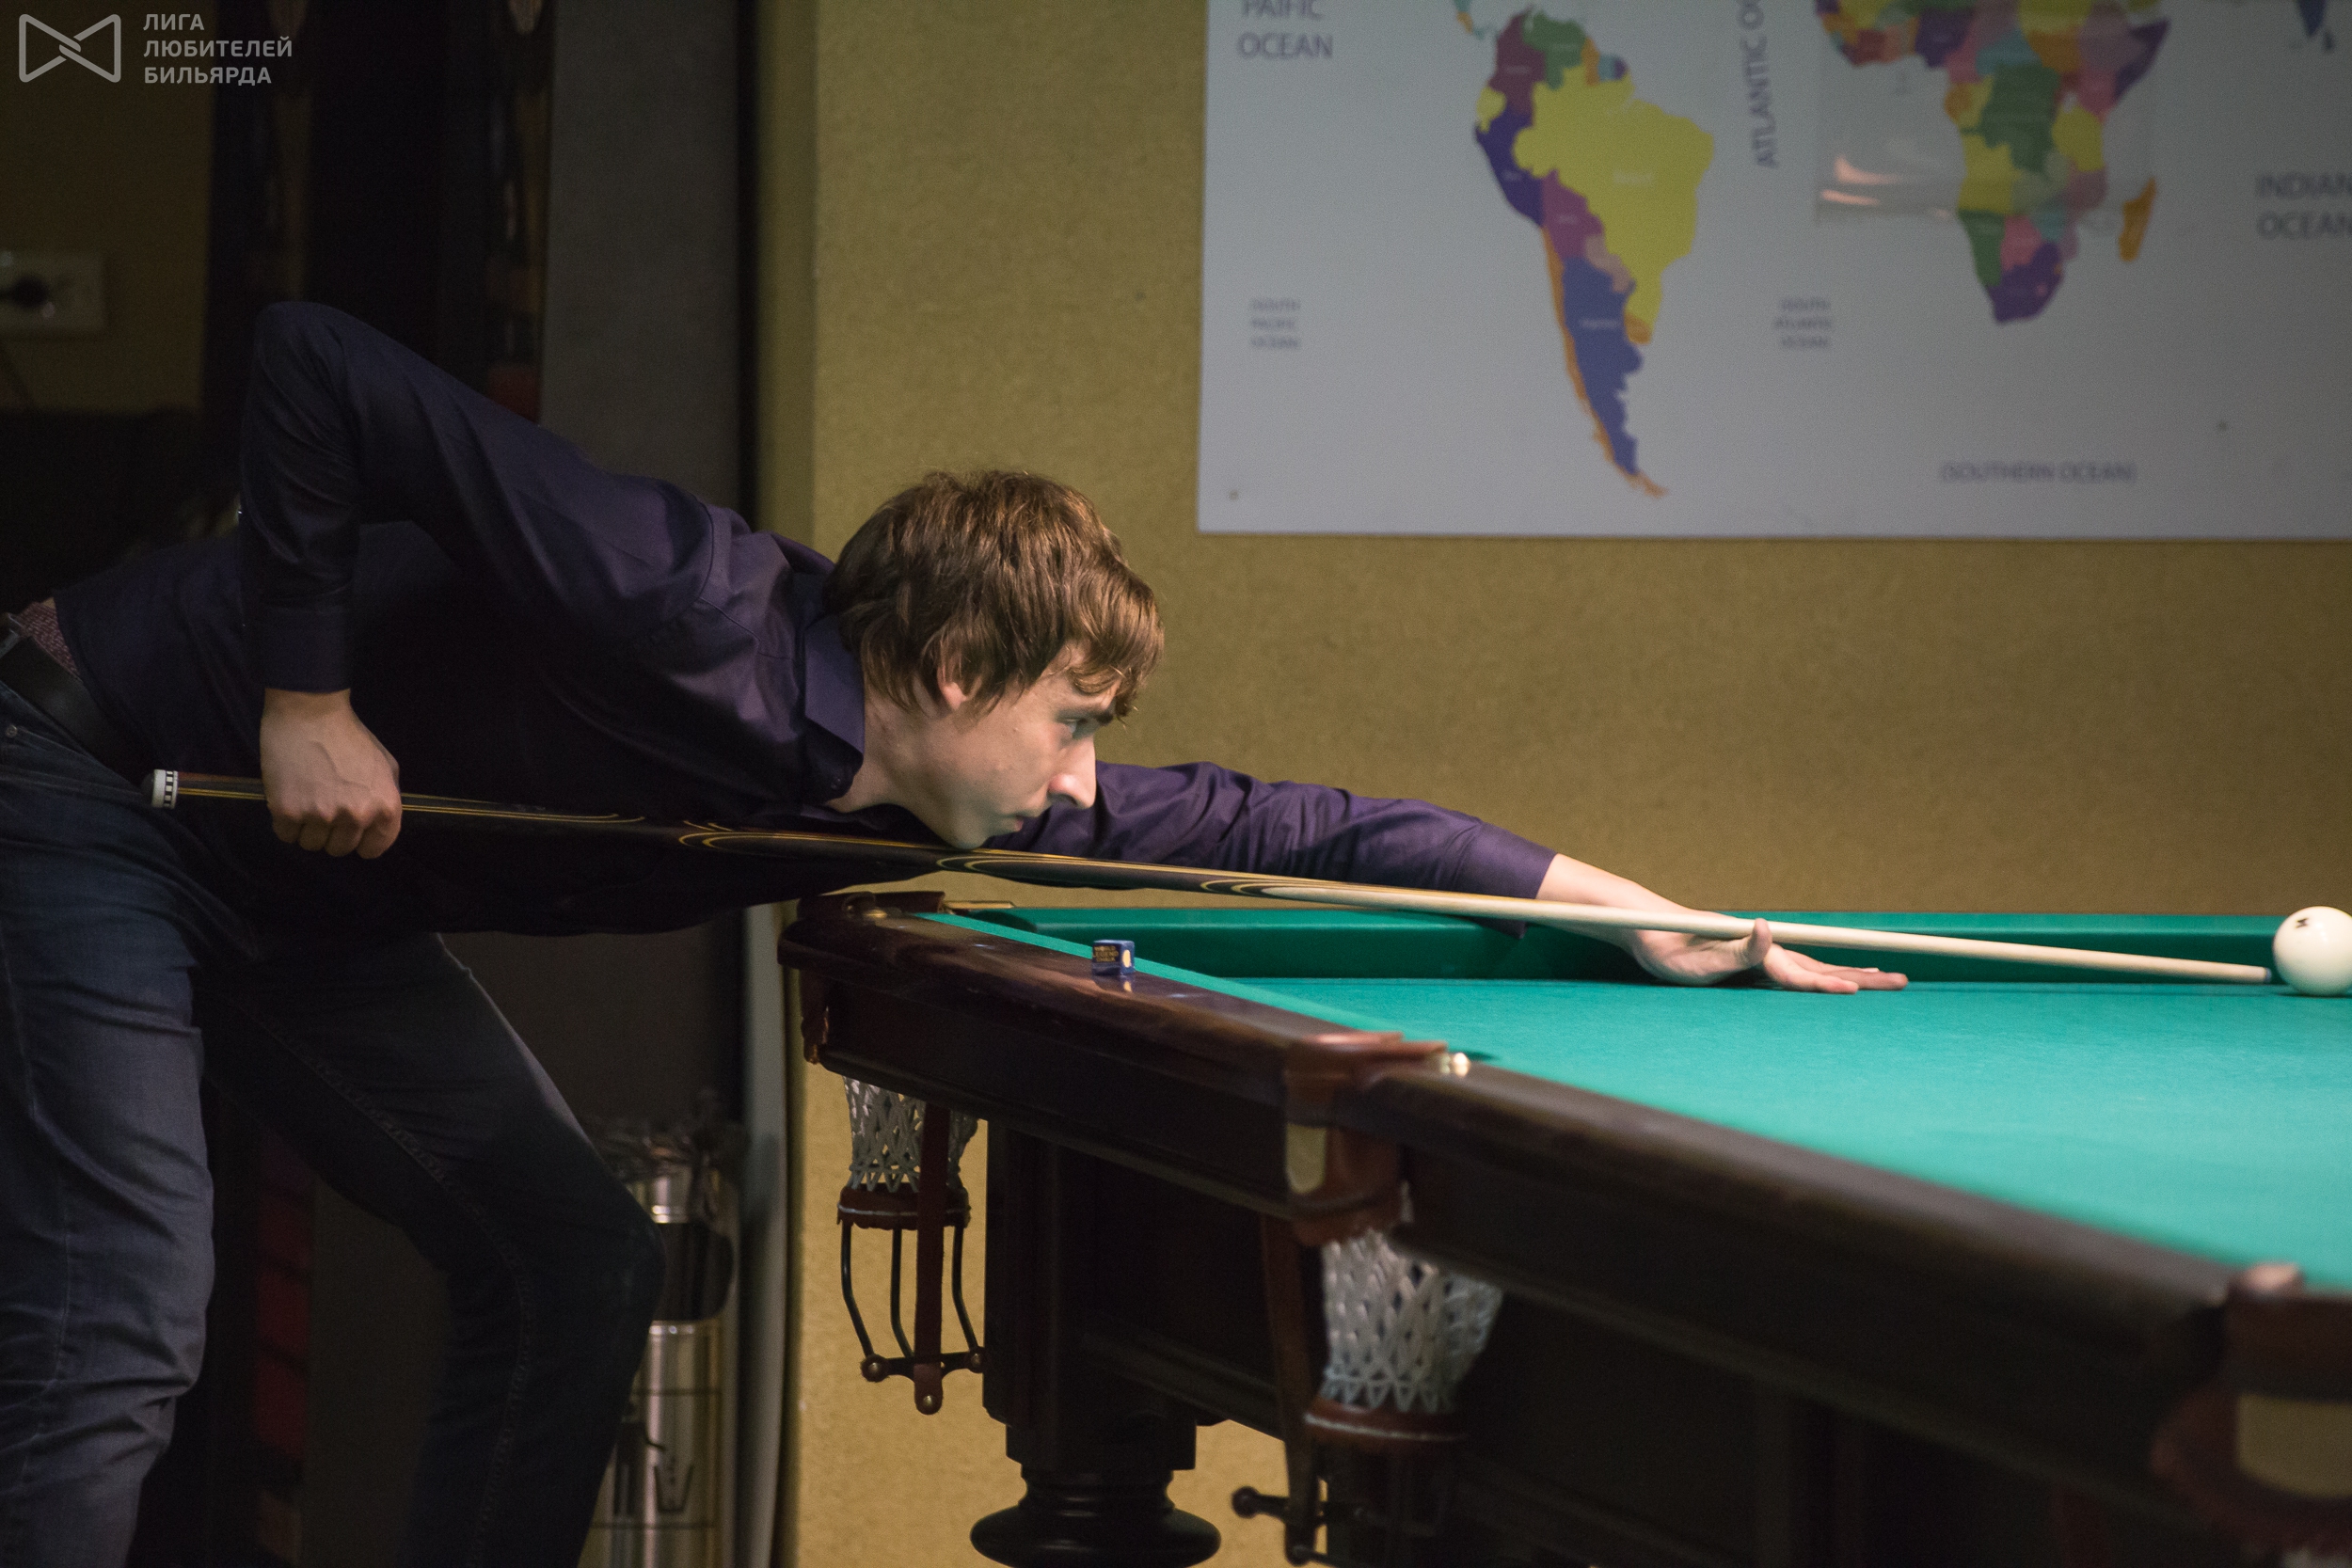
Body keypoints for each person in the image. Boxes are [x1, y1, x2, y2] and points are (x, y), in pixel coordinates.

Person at [0, 301, 1900, 1568]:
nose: (1087, 777)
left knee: (570, 1259)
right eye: (1073, 720)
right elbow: (318, 363)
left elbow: (1309, 828)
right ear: (962, 668)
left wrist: (1638, 914)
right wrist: (307, 699)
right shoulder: (675, 597)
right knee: (124, 1320)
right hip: (97, 775)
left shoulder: (959, 786)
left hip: (310, 903)